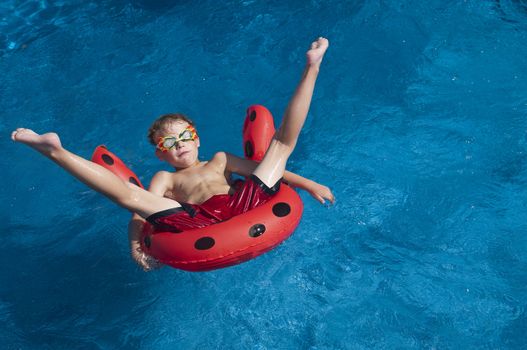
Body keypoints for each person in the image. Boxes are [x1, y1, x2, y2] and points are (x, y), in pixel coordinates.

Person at [11, 37, 334, 271]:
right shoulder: (165, 177)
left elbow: (266, 170)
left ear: (197, 139)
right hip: (196, 219)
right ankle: (54, 150)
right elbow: (141, 213)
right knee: (129, 196)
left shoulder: (221, 160)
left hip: (242, 201)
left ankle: (312, 67)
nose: (180, 144)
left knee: (281, 147)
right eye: (170, 143)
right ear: (160, 154)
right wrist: (137, 244)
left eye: (185, 136)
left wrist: (309, 184)